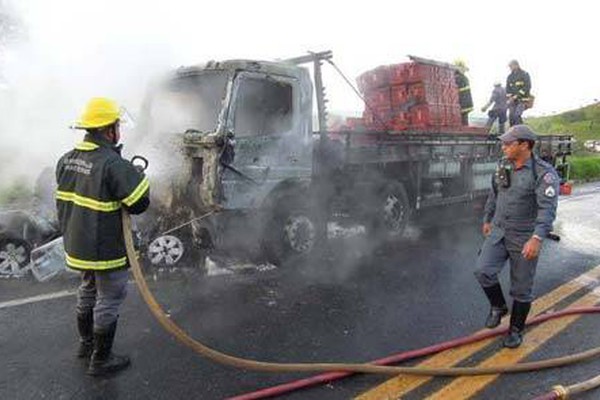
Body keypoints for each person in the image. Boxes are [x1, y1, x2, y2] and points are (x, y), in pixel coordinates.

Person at [55, 97, 150, 376]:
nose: (118, 131)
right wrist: (136, 176)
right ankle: (101, 359)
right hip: (105, 248)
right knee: (109, 297)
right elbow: (139, 203)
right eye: (116, 126)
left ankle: (86, 345)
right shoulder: (112, 164)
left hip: (77, 244)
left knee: (87, 289)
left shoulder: (66, 159)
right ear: (109, 130)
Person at [474, 125, 559, 348]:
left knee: (521, 288)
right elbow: (494, 193)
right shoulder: (503, 165)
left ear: (524, 145)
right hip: (499, 230)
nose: (503, 147)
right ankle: (498, 306)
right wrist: (487, 219)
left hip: (524, 236)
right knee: (483, 270)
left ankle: (516, 329)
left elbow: (547, 209)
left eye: (508, 143)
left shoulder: (543, 174)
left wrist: (537, 238)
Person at [506, 60, 532, 126]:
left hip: (522, 100)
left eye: (511, 66)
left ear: (516, 65)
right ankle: (512, 132)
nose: (510, 68)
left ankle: (521, 132)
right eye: (509, 67)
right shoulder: (509, 77)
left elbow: (527, 86)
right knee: (511, 116)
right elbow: (508, 89)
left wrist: (517, 96)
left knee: (517, 115)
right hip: (513, 101)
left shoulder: (525, 74)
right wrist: (509, 98)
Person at [454, 59, 474, 126]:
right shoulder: (463, 78)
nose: (464, 71)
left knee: (462, 122)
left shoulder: (456, 78)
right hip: (464, 104)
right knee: (464, 122)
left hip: (460, 104)